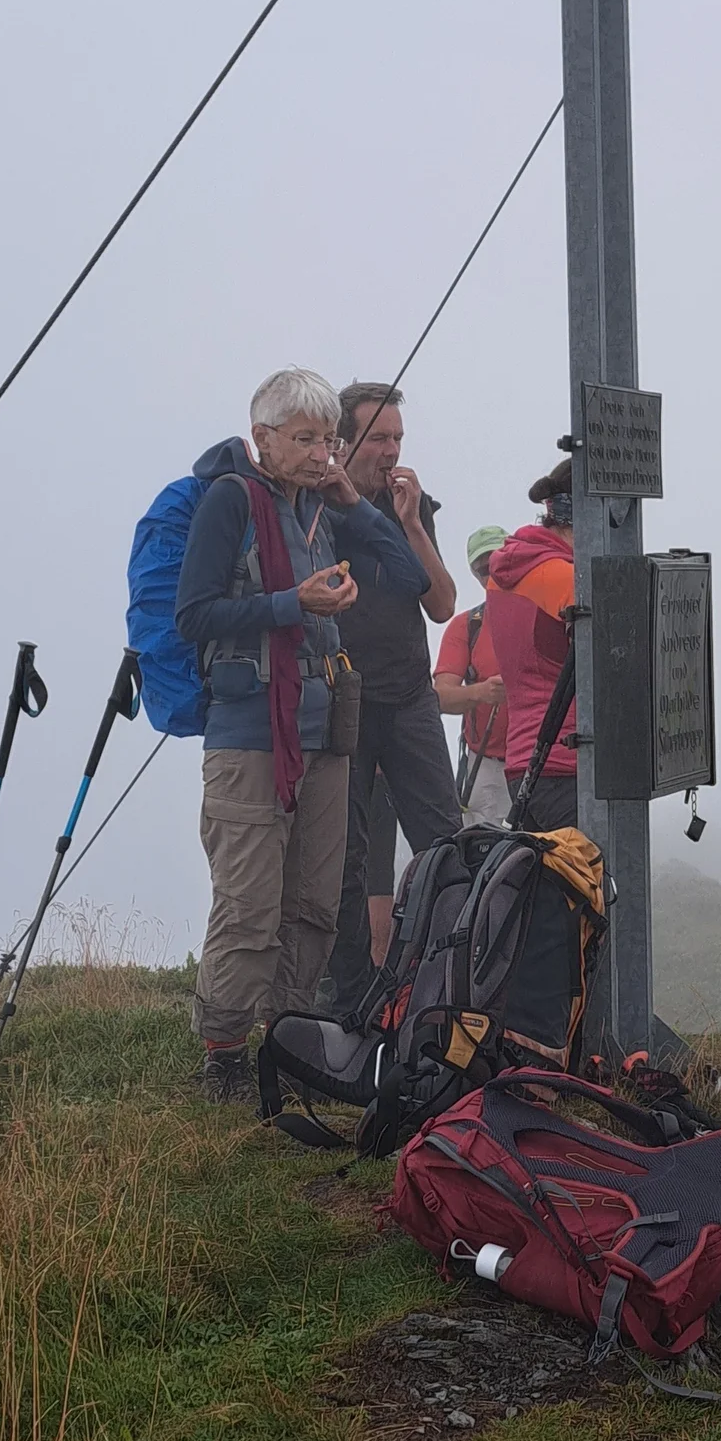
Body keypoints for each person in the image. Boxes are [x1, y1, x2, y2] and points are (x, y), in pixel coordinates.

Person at [175, 367, 432, 1103]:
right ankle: (223, 1052)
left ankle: (284, 1035)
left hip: (325, 730)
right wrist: (294, 601)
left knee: (317, 899)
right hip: (251, 730)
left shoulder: (325, 507)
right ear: (262, 439)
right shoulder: (232, 502)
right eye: (305, 438)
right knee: (251, 900)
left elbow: (406, 573)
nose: (321, 452)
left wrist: (356, 502)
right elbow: (193, 615)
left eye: (328, 438)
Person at [320, 381, 459, 1018]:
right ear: (343, 443)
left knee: (444, 840)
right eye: (379, 437)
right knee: (344, 856)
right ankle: (351, 996)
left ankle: (443, 985)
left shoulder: (413, 504)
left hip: (408, 695)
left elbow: (442, 604)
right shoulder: (322, 510)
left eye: (397, 437)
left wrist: (410, 524)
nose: (391, 449)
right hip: (343, 696)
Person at [487, 464, 579, 830]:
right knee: (598, 885)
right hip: (570, 764)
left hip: (525, 764)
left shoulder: (509, 572)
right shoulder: (568, 579)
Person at [434, 527, 512, 822]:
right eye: (483, 569)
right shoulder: (465, 627)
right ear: (473, 574)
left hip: (547, 762)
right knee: (485, 860)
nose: (492, 574)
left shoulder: (548, 611)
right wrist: (481, 692)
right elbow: (440, 697)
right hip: (487, 766)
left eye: (498, 562)